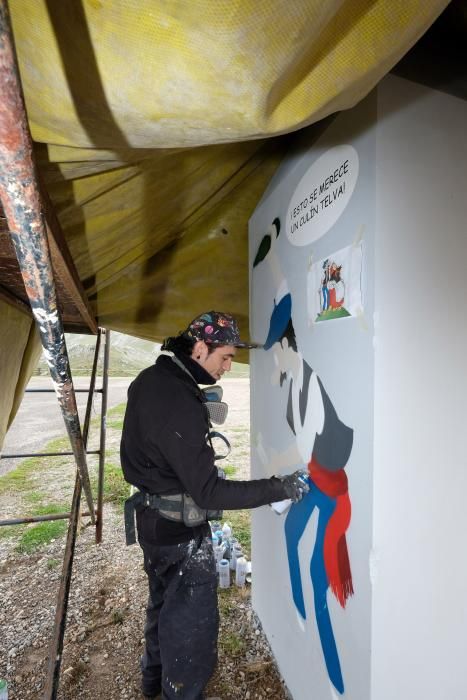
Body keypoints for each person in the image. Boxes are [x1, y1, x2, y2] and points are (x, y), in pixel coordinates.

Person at [120, 310, 308, 700]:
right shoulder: (180, 400)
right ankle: (181, 691)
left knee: (162, 604)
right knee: (190, 627)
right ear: (200, 347)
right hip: (178, 535)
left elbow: (157, 451)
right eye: (224, 357)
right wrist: (280, 487)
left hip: (150, 522)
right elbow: (208, 493)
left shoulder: (150, 380)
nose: (227, 367)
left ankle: (152, 682)